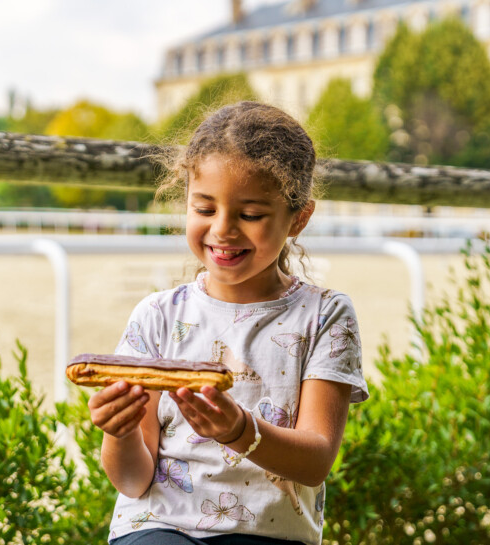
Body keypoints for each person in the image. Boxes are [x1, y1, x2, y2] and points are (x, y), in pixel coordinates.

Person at [86, 101, 368, 545]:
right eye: (204, 208)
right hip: (158, 526)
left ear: (298, 218)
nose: (223, 229)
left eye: (250, 215)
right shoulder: (157, 317)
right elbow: (132, 482)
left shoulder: (325, 316)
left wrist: (241, 431)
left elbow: (315, 462)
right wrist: (118, 434)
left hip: (266, 534)